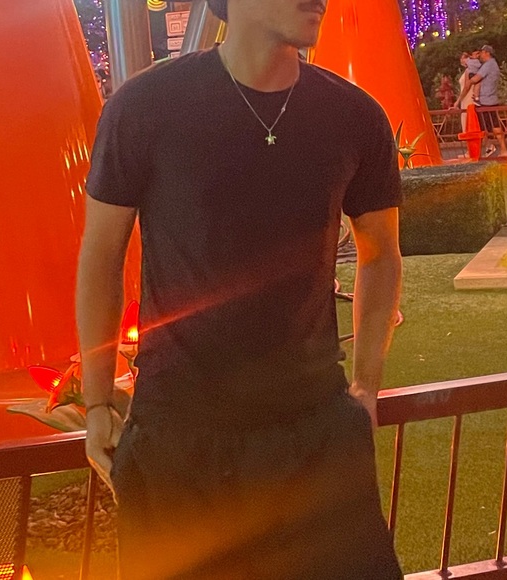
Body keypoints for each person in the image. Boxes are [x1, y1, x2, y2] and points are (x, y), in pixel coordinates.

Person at [77, 0, 403, 578]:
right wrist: (98, 400)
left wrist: (367, 386)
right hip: (180, 438)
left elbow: (381, 252)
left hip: (314, 433)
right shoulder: (146, 106)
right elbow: (102, 257)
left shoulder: (354, 116)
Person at [469, 45, 507, 156]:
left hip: (486, 100)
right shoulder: (491, 64)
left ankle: (502, 149)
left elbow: (476, 78)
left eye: (482, 52)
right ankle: (495, 148)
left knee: (492, 126)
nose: (480, 55)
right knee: (487, 126)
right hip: (488, 99)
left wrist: (471, 77)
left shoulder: (489, 65)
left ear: (487, 53)